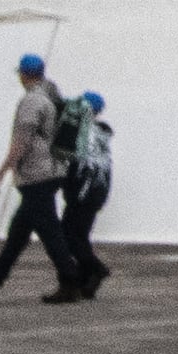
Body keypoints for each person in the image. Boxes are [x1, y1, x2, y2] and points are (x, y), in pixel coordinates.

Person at [0, 51, 89, 303]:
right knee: (18, 234)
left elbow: (21, 142)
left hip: (37, 175)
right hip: (53, 170)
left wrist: (1, 174)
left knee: (50, 232)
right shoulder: (52, 94)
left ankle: (72, 281)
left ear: (24, 75)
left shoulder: (32, 102)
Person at [59, 91, 117, 292]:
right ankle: (87, 280)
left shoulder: (85, 132)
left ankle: (95, 268)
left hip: (82, 193)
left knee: (68, 235)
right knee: (80, 235)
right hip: (97, 192)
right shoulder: (101, 136)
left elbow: (74, 161)